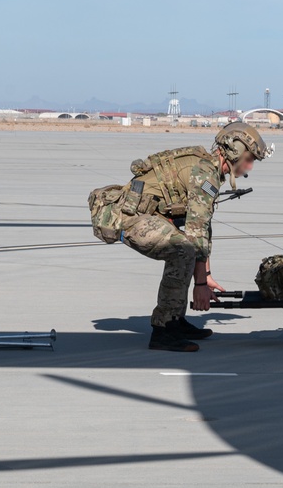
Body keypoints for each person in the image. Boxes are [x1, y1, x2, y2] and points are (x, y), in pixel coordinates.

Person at [109, 122, 272, 352]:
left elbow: (203, 228)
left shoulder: (208, 169)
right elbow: (196, 231)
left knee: (186, 248)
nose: (250, 167)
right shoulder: (205, 175)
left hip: (142, 215)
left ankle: (175, 320)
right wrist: (201, 285)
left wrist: (206, 274)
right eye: (250, 159)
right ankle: (164, 330)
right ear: (235, 151)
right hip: (127, 217)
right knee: (182, 250)